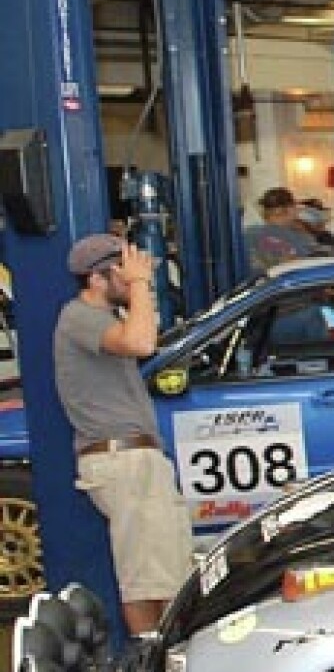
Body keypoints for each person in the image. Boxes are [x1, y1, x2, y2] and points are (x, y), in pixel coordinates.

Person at [54, 234, 195, 636]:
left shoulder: (102, 319)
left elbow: (143, 335)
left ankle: (161, 669)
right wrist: (139, 286)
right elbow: (141, 343)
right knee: (150, 578)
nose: (137, 276)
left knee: (164, 568)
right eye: (124, 270)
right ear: (98, 279)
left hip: (133, 460)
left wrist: (136, 288)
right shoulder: (79, 317)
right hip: (124, 461)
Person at [245, 186, 321, 274]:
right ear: (290, 208)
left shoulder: (250, 233)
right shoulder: (293, 237)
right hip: (292, 283)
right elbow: (294, 264)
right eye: (295, 206)